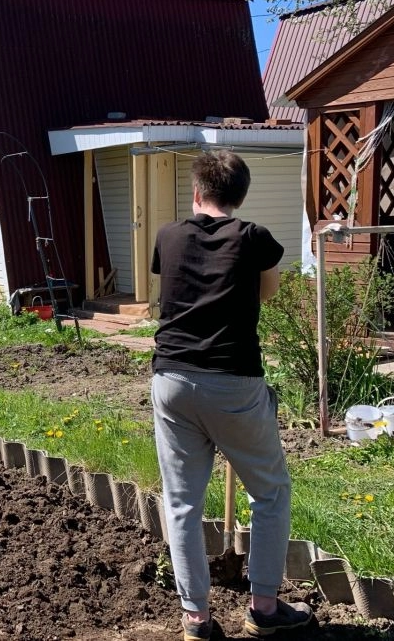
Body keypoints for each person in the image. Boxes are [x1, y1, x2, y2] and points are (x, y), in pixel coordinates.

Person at [149, 151, 314, 640]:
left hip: (172, 380)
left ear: (197, 193)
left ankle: (195, 618)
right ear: (240, 197)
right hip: (234, 382)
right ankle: (264, 608)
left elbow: (177, 287)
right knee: (270, 492)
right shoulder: (255, 239)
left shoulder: (167, 235)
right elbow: (268, 293)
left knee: (181, 503)